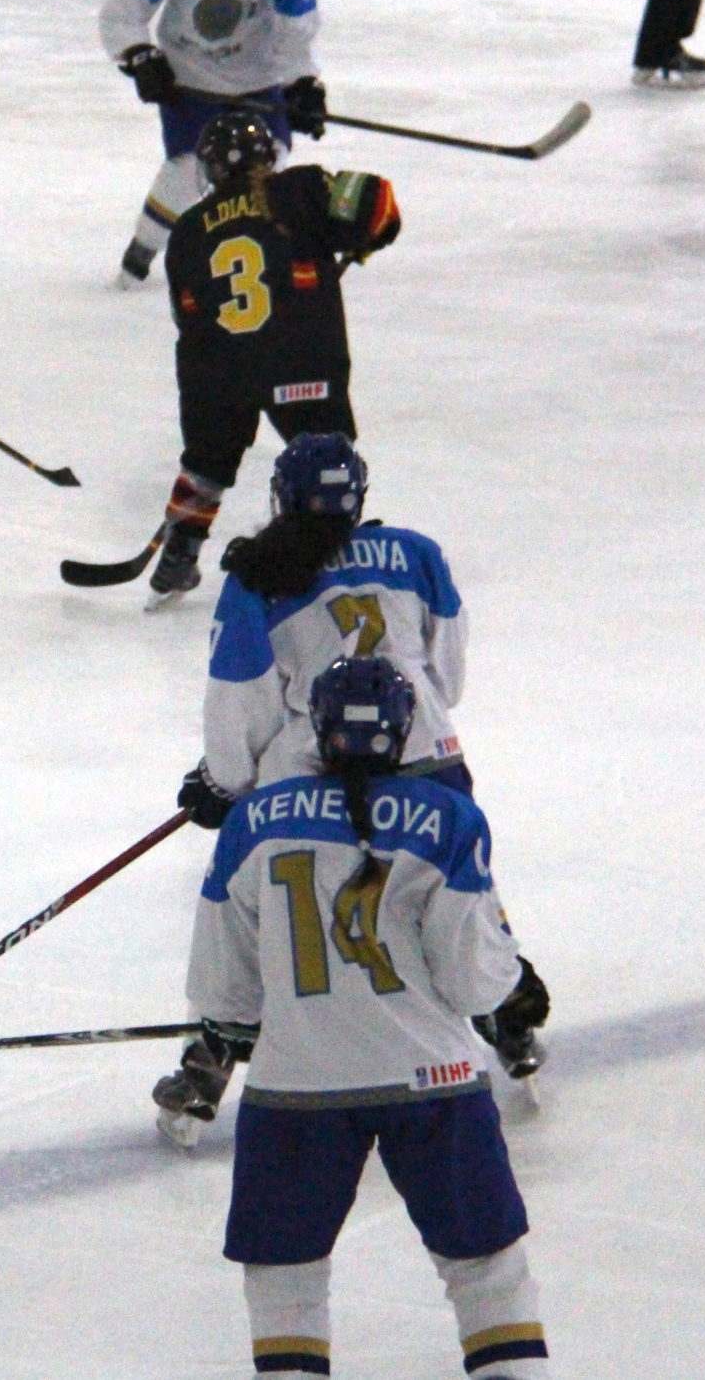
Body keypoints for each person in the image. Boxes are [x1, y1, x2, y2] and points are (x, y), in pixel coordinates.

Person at [155, 655, 556, 1379]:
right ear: (403, 732)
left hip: (296, 1084)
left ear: (320, 726)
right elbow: (471, 982)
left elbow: (222, 988)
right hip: (435, 1080)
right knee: (486, 1267)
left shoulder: (251, 821)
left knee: (285, 1275)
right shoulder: (451, 819)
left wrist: (232, 1026)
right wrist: (513, 980)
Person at [175, 432, 547, 1080]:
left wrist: (225, 782)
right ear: (358, 497)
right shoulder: (416, 553)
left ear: (280, 496)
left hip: (314, 766)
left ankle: (218, 1045)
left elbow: (242, 695)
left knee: (264, 887)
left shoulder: (257, 575)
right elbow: (447, 681)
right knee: (460, 882)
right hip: (430, 752)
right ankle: (503, 1014)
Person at [146, 116, 399, 607]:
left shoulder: (188, 230)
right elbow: (381, 208)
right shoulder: (301, 189)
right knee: (326, 456)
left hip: (223, 369)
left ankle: (180, 553)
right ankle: (331, 554)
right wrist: (361, 241)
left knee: (208, 461)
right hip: (304, 360)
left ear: (212, 169)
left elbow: (190, 321)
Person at [99, 0, 325, 289]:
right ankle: (141, 254)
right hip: (190, 89)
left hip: (258, 88)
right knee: (186, 172)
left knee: (266, 172)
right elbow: (122, 13)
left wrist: (302, 85)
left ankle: (263, 260)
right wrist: (140, 55)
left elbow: (298, 33)